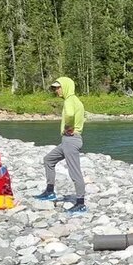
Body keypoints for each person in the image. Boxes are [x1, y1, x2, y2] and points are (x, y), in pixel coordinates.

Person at [34, 76, 87, 214]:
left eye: (58, 87)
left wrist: (68, 127)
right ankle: (49, 191)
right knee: (48, 160)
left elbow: (69, 114)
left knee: (74, 172)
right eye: (55, 88)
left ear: (66, 87)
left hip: (71, 139)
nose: (56, 90)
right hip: (68, 141)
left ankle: (80, 203)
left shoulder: (70, 100)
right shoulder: (77, 101)